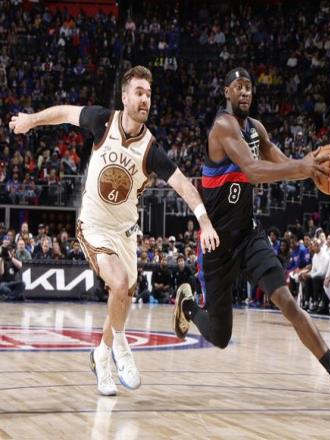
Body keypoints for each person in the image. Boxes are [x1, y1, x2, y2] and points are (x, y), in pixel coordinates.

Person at [9, 65, 220, 397]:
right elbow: (65, 113)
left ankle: (101, 355)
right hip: (93, 226)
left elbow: (184, 185)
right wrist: (31, 120)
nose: (145, 99)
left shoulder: (150, 149)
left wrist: (204, 221)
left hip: (125, 233)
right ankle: (121, 346)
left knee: (121, 298)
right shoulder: (102, 121)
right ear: (124, 97)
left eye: (148, 94)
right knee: (119, 283)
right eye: (139, 92)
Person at [173, 67, 330, 403]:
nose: (245, 92)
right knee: (219, 336)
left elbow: (281, 161)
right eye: (238, 87)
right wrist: (301, 166)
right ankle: (188, 306)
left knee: (288, 302)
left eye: (249, 87)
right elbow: (252, 170)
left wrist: (310, 170)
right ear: (227, 92)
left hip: (249, 237)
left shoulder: (256, 129)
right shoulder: (223, 126)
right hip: (217, 243)